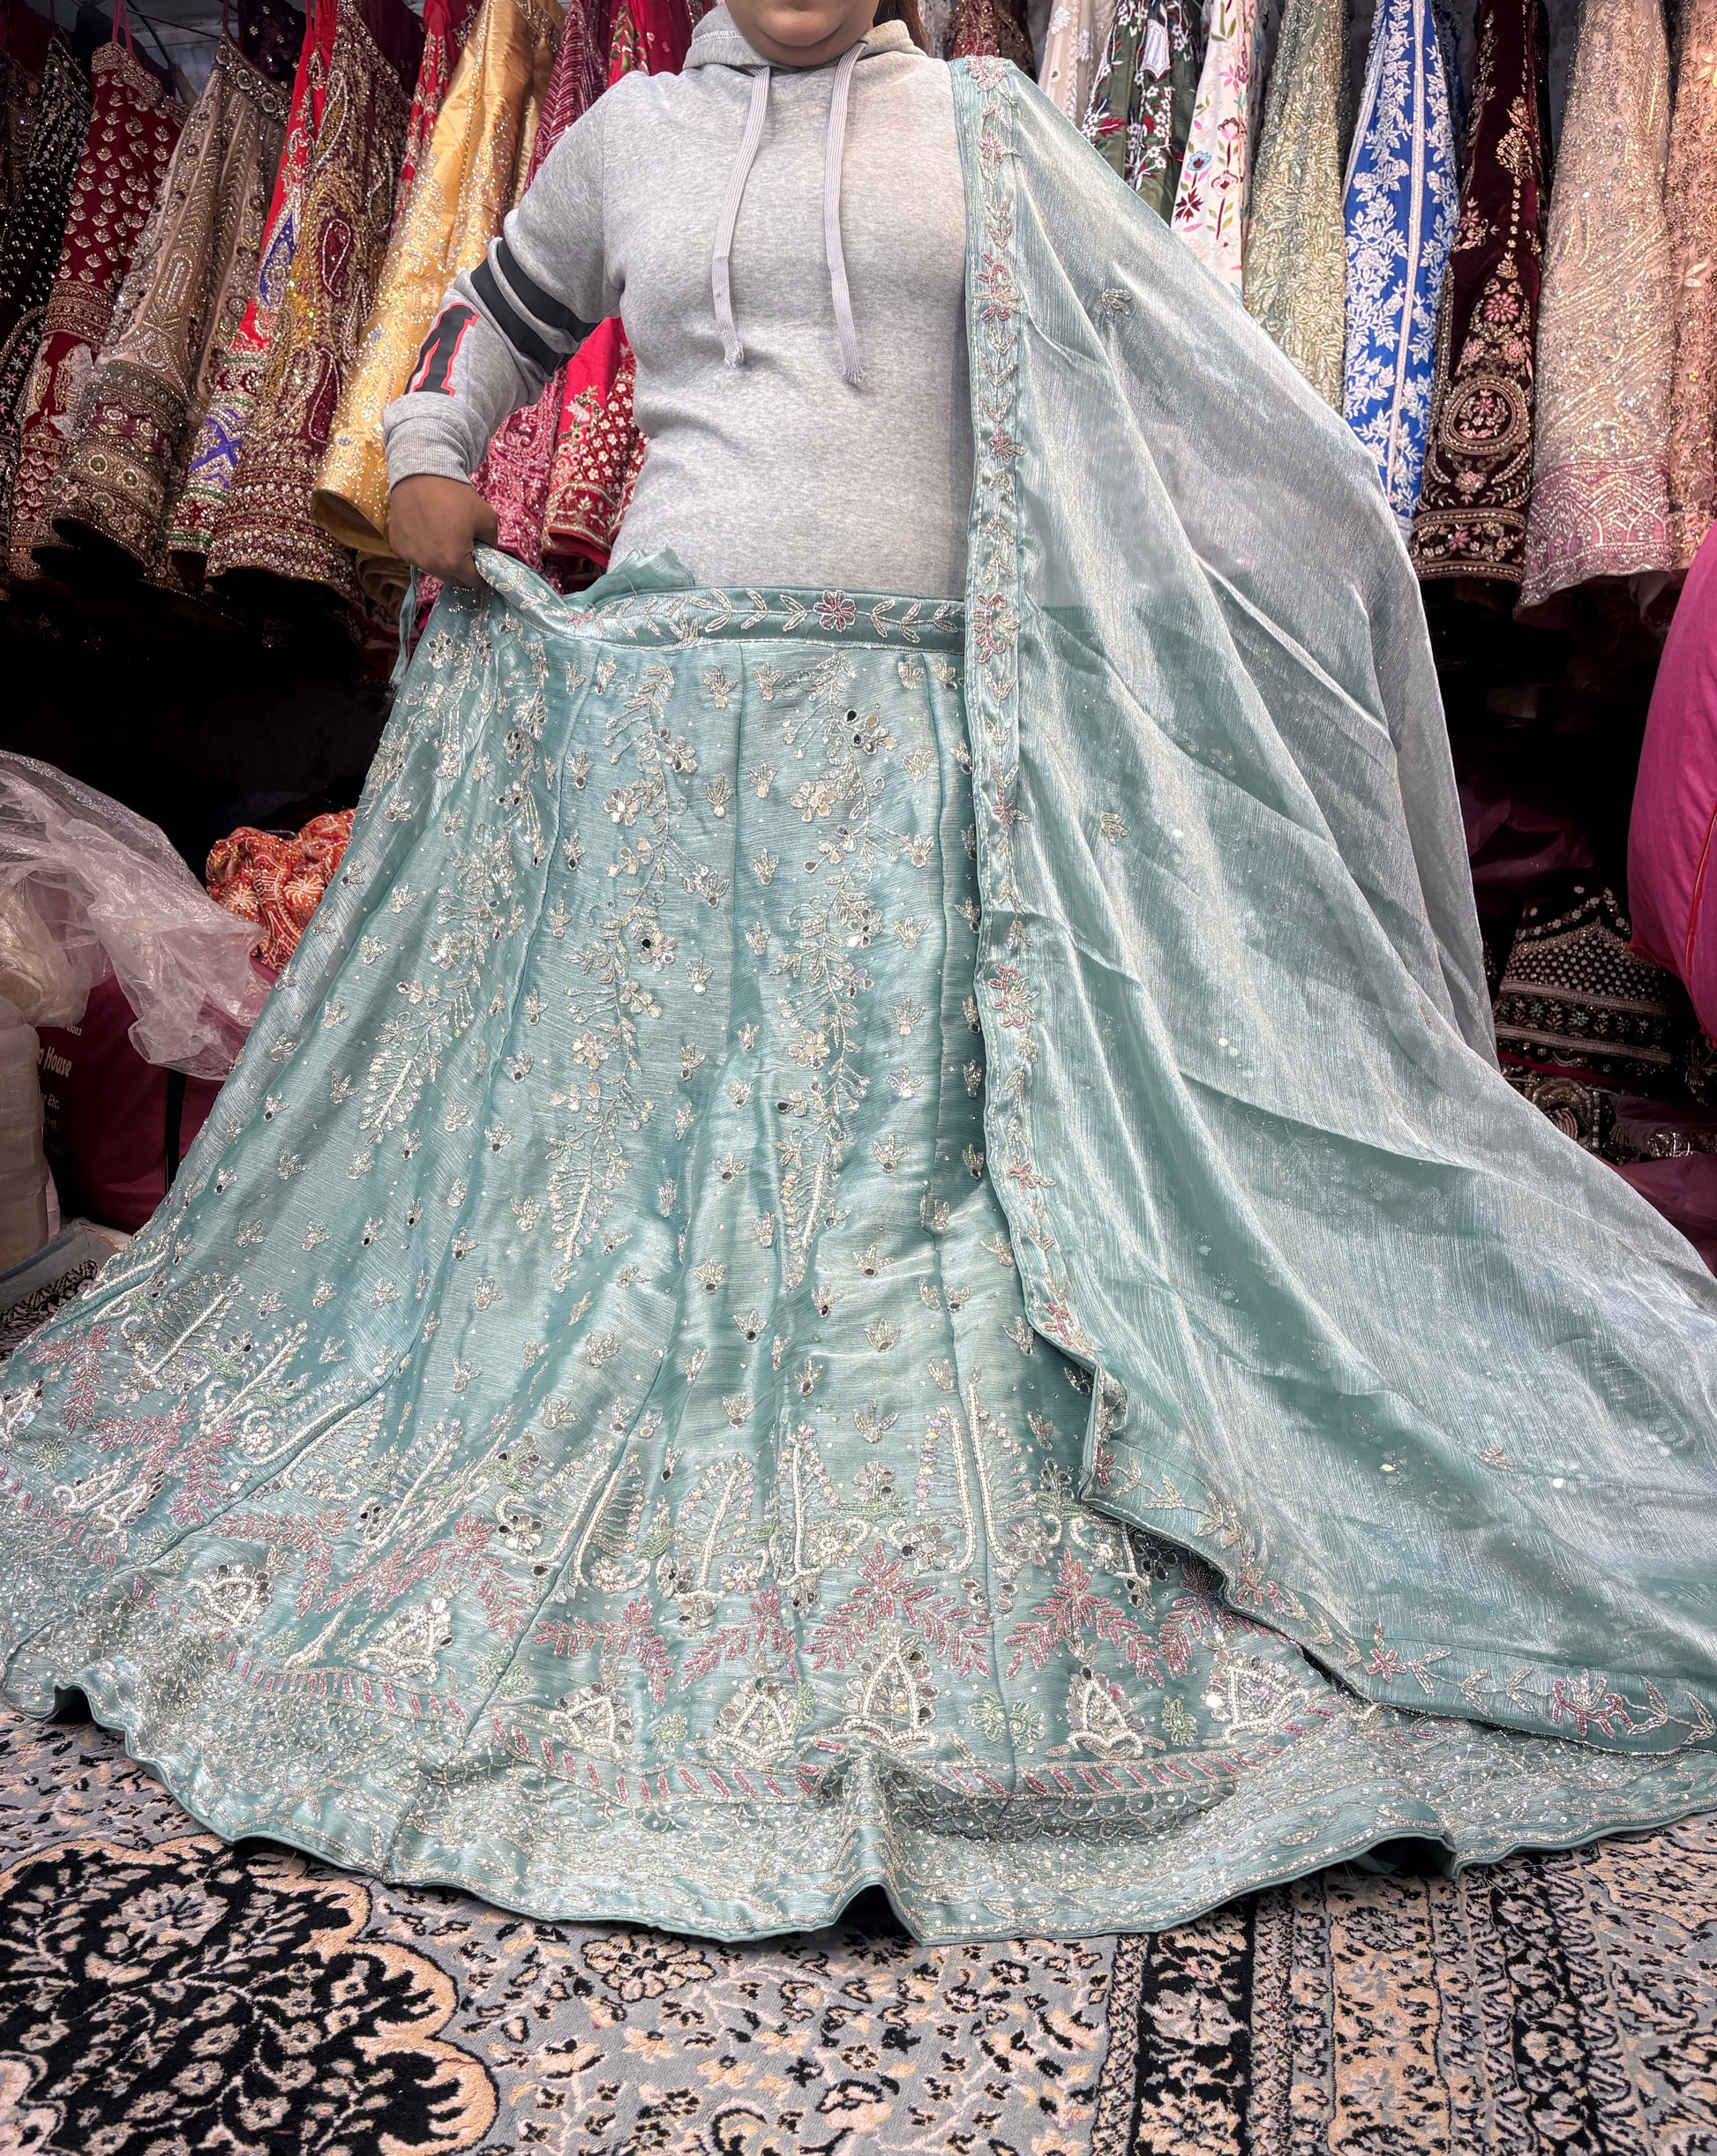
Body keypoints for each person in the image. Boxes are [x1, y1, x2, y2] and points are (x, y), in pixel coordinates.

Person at [3, 0, 1716, 1945]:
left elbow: (1187, 393)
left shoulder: (994, 132)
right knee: (656, 1192)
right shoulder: (629, 137)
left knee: (924, 1181)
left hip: (932, 768)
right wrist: (424, 459)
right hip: (666, 760)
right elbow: (481, 333)